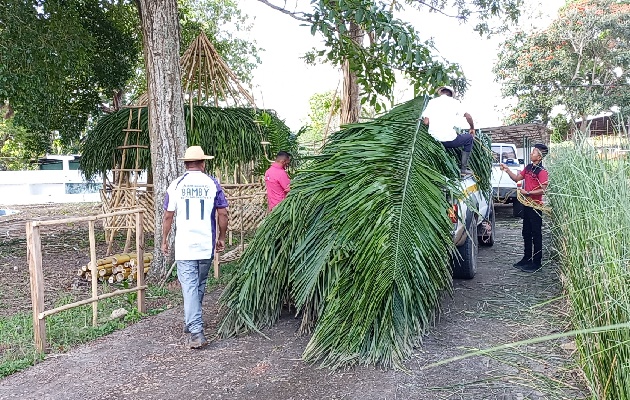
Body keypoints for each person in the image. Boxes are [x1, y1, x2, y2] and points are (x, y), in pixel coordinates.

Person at [161, 146, 229, 348]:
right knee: (199, 284)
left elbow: (167, 215)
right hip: (205, 244)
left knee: (190, 286)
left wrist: (164, 239)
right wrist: (222, 237)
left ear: (185, 164)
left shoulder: (175, 185)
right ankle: (193, 323)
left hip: (184, 245)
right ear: (203, 163)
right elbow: (223, 213)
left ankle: (195, 330)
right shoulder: (212, 183)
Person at [500, 143, 549, 272]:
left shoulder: (542, 172)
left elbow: (543, 190)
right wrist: (507, 169)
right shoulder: (528, 168)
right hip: (527, 206)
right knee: (526, 233)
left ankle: (536, 263)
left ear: (539, 157)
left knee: (536, 234)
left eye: (533, 152)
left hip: (535, 206)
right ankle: (527, 259)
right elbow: (517, 178)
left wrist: (528, 193)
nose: (531, 154)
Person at [422, 85, 476, 175]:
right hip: (449, 141)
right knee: (469, 138)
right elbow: (468, 116)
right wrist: (472, 128)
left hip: (434, 140)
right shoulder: (454, 102)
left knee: (447, 138)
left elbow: (426, 122)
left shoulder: (432, 102)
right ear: (451, 94)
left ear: (441, 93)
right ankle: (463, 169)